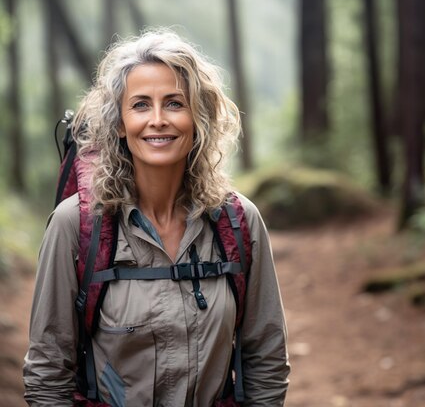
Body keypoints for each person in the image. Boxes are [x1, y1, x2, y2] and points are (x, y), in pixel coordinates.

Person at [23, 29, 290, 406]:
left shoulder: (238, 222)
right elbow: (48, 372)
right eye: (141, 105)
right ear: (118, 123)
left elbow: (266, 359)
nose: (158, 119)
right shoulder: (76, 225)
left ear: (198, 118)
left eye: (175, 103)